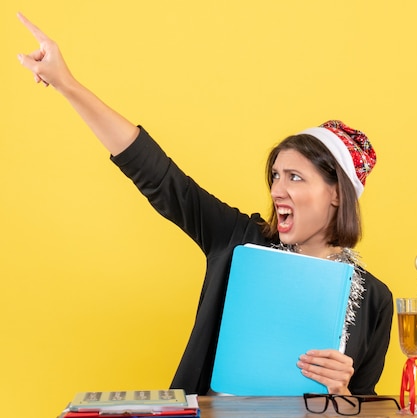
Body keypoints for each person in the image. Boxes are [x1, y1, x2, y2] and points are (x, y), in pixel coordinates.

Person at [16, 13, 393, 396]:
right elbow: (158, 175)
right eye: (276, 176)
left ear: (337, 194)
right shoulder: (236, 240)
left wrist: (340, 392)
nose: (278, 189)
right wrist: (66, 84)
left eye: (295, 177)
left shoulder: (376, 300)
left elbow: (363, 405)